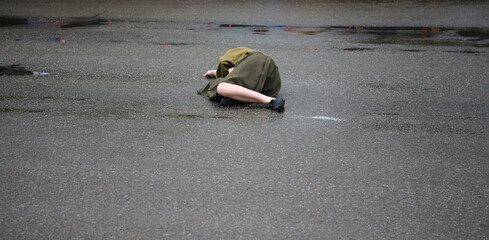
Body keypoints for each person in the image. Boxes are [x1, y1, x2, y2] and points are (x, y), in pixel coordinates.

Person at [198, 47, 285, 112]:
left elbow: (225, 63)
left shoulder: (240, 55)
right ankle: (238, 99)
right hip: (271, 85)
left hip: (259, 68)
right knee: (230, 89)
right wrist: (216, 72)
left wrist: (218, 73)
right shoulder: (251, 59)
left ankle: (271, 101)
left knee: (221, 87)